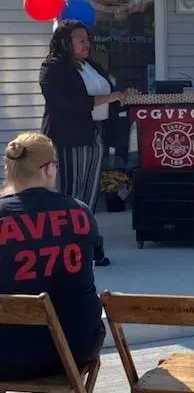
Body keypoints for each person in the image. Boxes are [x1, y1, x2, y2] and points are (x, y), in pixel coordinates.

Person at [0, 132, 104, 393]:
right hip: (73, 352)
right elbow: (92, 262)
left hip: (5, 356)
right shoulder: (80, 211)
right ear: (48, 169)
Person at [39, 19, 131, 267]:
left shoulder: (90, 65)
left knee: (89, 195)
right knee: (70, 194)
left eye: (87, 39)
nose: (86, 44)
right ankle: (66, 249)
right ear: (64, 42)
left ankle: (86, 245)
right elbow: (67, 104)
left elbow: (106, 94)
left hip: (95, 135)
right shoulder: (53, 68)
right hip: (68, 138)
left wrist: (121, 97)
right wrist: (109, 97)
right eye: (80, 40)